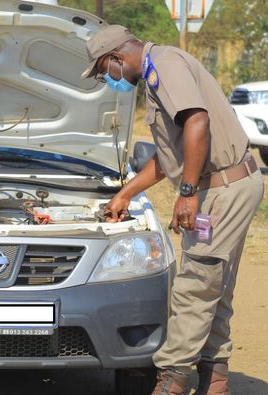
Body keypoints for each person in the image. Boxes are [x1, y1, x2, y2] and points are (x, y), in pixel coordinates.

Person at [82, 25, 264, 395]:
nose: (107, 79)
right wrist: (125, 194)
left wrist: (187, 192)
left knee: (194, 286)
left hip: (220, 189)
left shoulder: (163, 66)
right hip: (225, 185)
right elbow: (169, 157)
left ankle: (172, 381)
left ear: (117, 58)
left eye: (104, 70)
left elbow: (197, 121)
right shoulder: (158, 72)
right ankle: (215, 378)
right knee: (214, 284)